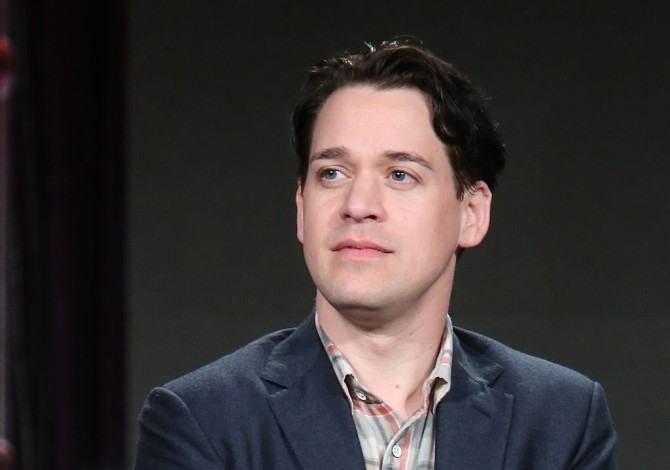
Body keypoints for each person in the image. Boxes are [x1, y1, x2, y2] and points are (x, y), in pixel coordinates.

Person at [134, 40, 617, 469]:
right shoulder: (202, 421)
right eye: (332, 173)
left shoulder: (560, 421)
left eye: (400, 175)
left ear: (471, 212)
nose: (358, 206)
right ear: (302, 208)